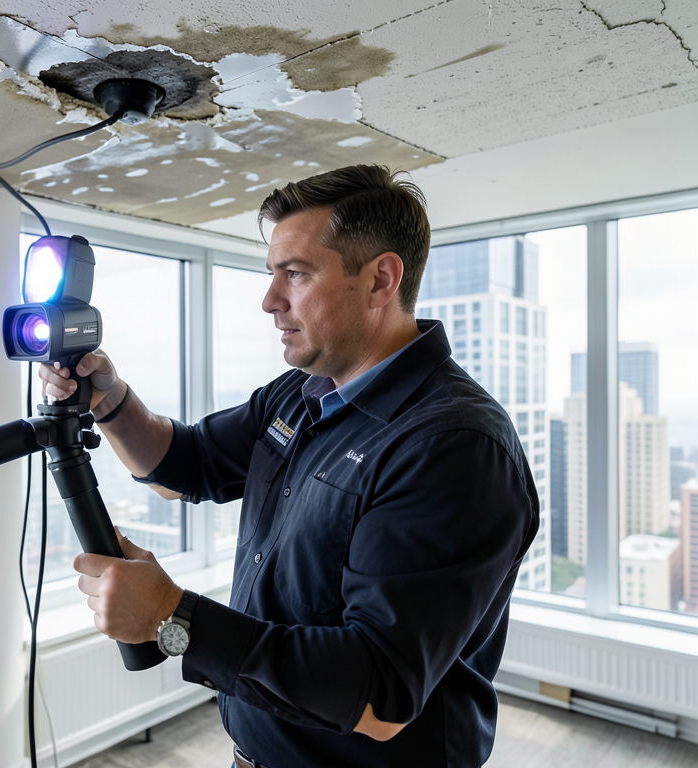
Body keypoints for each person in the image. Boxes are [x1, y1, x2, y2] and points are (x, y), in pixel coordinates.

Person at [39, 165, 539, 768]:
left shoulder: (453, 446)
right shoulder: (301, 392)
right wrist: (111, 400)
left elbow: (381, 696)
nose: (270, 301)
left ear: (381, 278)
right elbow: (184, 466)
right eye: (272, 275)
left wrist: (173, 617)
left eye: (295, 274)